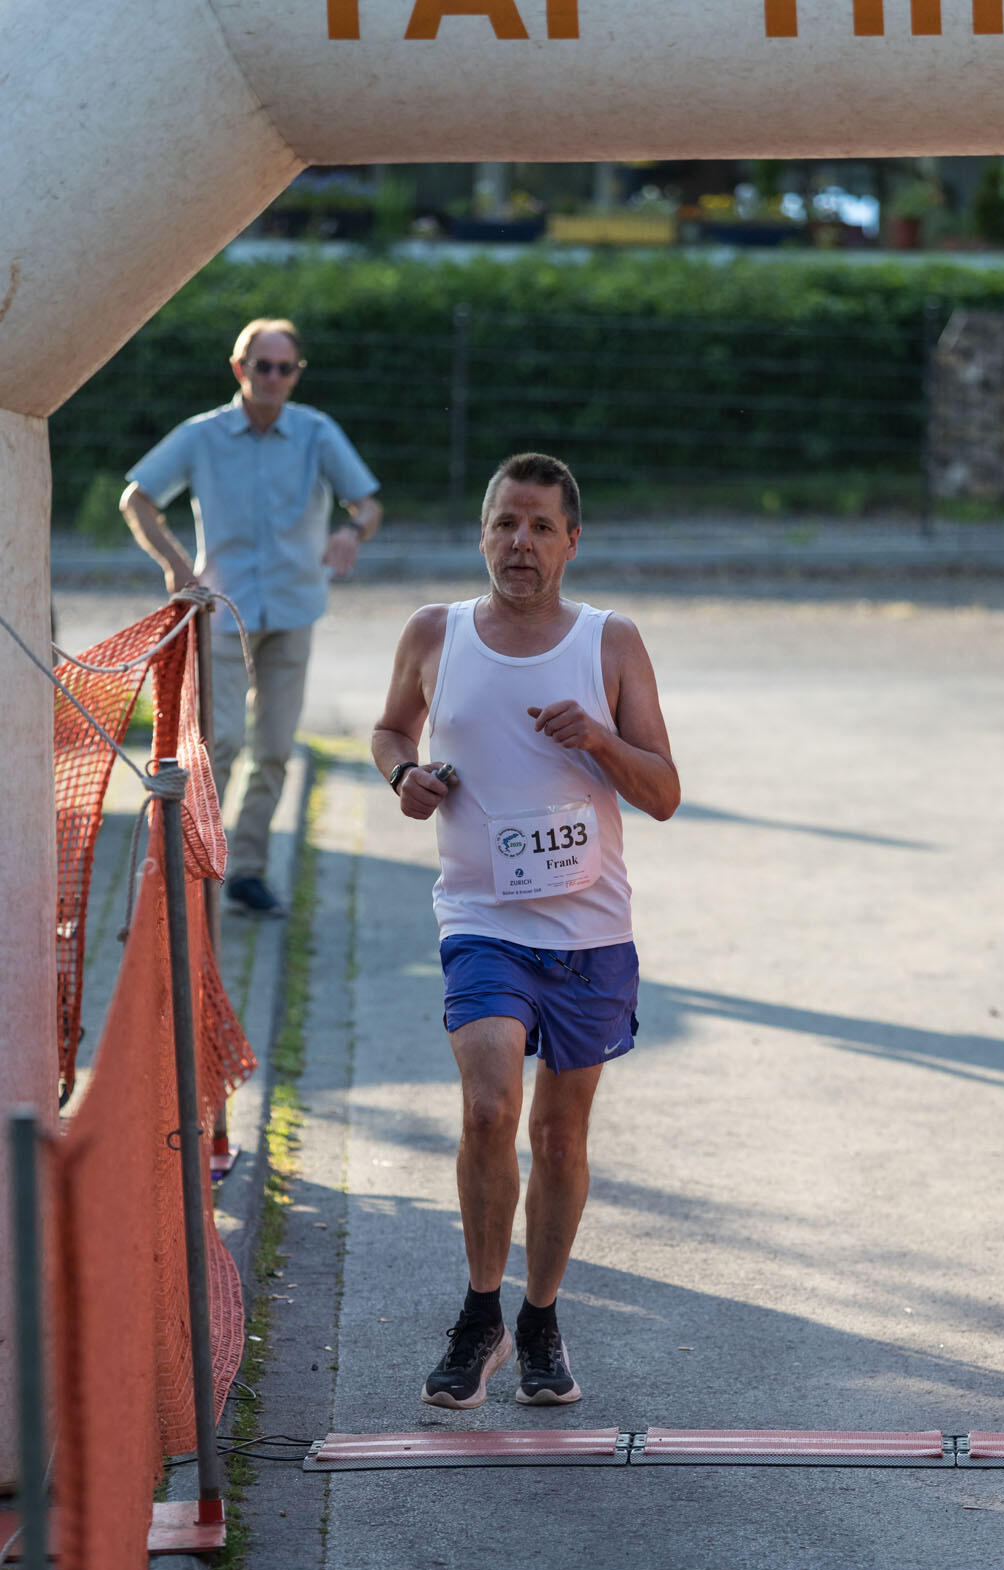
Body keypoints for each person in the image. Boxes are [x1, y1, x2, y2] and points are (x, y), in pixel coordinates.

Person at [372, 451, 679, 1409]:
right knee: (488, 1108)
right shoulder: (435, 631)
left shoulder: (609, 642)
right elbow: (390, 730)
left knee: (557, 1132)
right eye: (505, 522)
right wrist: (404, 776)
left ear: (571, 542)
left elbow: (663, 792)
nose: (520, 542)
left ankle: (539, 1319)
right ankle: (480, 1316)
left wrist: (599, 739)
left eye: (541, 526)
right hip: (481, 921)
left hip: (589, 930)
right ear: (482, 533)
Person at [120, 317, 382, 915]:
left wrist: (351, 533)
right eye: (262, 366)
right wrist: (176, 565)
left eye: (285, 368)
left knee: (275, 750)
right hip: (224, 610)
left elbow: (367, 505)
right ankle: (196, 866)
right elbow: (137, 498)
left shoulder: (316, 431)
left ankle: (247, 872)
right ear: (240, 369)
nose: (273, 377)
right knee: (222, 742)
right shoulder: (202, 435)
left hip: (293, 610)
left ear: (296, 374)